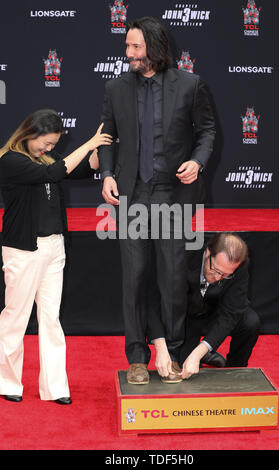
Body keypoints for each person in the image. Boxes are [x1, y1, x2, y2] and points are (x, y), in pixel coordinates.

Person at [99, 16, 215, 384]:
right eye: (127, 46)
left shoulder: (190, 85)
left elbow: (207, 131)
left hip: (174, 196)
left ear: (154, 47)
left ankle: (175, 353)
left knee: (171, 278)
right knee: (134, 278)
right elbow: (107, 136)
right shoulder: (115, 88)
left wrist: (197, 162)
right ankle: (137, 356)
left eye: (135, 46)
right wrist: (107, 175)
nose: (128, 53)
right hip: (132, 197)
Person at [0, 109, 112, 403]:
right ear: (29, 133)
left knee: (51, 318)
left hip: (54, 248)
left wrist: (99, 150)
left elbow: (82, 170)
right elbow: (52, 173)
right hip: (23, 249)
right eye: (46, 143)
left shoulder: (46, 160)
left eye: (53, 145)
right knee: (15, 316)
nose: (49, 149)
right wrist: (88, 144)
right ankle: (7, 382)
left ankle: (54, 388)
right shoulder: (9, 160)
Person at [177, 232, 261, 379]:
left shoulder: (239, 266)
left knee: (250, 322)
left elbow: (231, 313)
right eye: (215, 270)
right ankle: (204, 354)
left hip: (216, 310)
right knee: (186, 371)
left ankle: (235, 370)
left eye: (225, 275)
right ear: (208, 252)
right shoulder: (186, 254)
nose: (217, 278)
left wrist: (199, 351)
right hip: (186, 314)